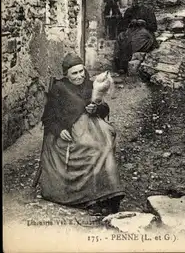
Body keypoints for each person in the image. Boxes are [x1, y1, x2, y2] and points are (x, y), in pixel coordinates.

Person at [39, 53, 125, 215]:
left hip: (92, 126)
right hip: (69, 133)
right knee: (93, 149)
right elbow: (48, 117)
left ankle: (110, 195)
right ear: (66, 75)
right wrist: (59, 130)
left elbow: (105, 108)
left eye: (81, 71)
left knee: (105, 144)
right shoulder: (59, 89)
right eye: (74, 73)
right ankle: (90, 197)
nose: (79, 76)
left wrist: (96, 108)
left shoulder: (90, 84)